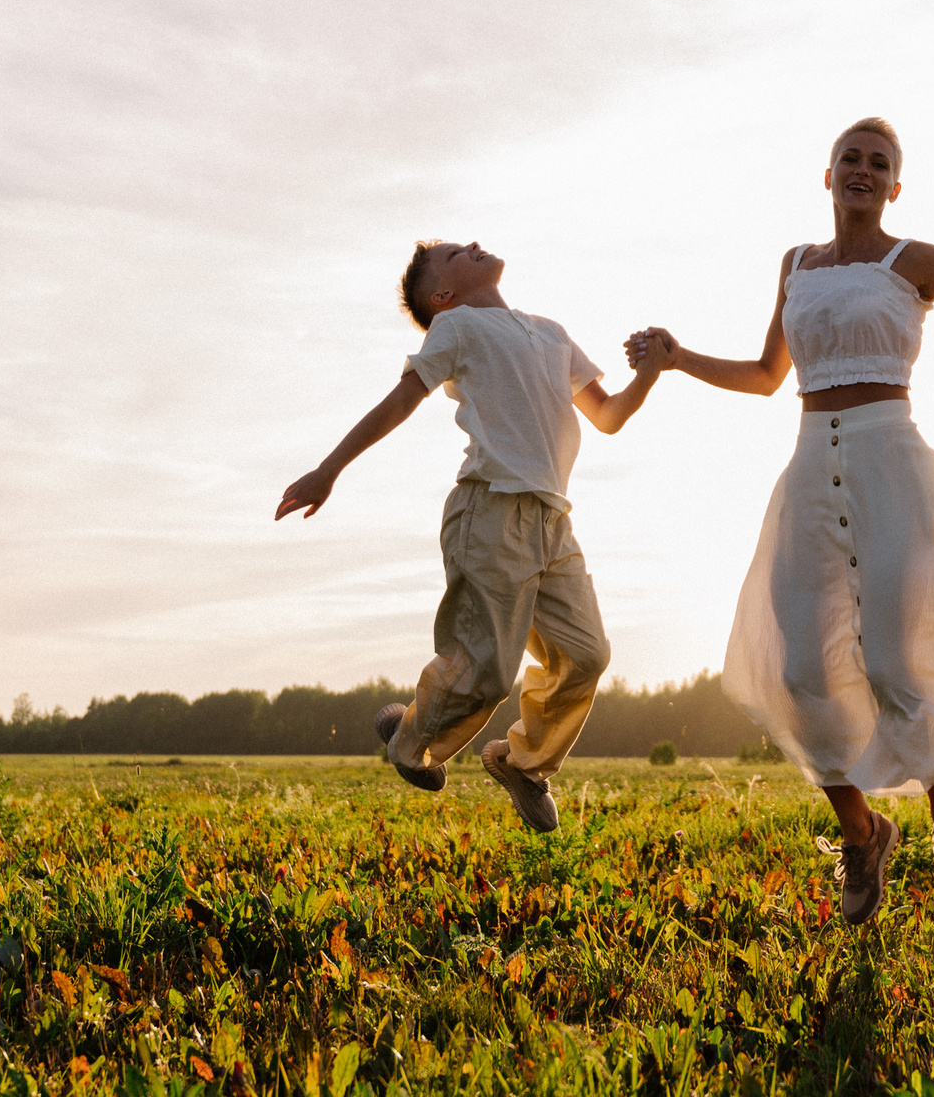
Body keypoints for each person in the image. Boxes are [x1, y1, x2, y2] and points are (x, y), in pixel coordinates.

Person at [626, 118, 934, 924]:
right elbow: (765, 374)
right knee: (798, 671)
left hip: (895, 465)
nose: (863, 169)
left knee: (893, 662)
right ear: (827, 175)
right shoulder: (795, 266)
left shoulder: (914, 261)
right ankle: (862, 830)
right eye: (850, 157)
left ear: (894, 186)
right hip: (812, 464)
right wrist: (676, 357)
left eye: (879, 162)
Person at [276, 240, 659, 833]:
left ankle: (522, 763)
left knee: (587, 654)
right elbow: (401, 400)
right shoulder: (455, 327)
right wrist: (330, 468)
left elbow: (607, 415)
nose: (474, 246)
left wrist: (650, 375)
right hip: (491, 513)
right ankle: (409, 740)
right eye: (456, 253)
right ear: (442, 296)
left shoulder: (550, 332)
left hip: (553, 520)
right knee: (487, 670)